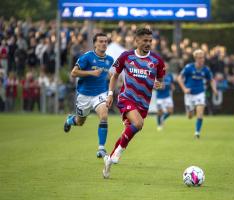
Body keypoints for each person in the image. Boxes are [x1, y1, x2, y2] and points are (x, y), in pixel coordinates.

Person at [103, 28, 165, 179]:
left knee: (130, 130)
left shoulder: (157, 61)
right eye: (145, 41)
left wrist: (159, 84)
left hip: (143, 104)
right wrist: (110, 94)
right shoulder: (126, 56)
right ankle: (119, 152)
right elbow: (114, 75)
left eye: (150, 41)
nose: (148, 43)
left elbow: (160, 80)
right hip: (126, 99)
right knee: (138, 124)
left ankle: (109, 160)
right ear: (136, 41)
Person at [63, 33, 114, 159]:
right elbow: (74, 73)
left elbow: (109, 74)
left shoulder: (110, 60)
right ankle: (70, 120)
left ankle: (101, 149)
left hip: (100, 94)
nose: (103, 44)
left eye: (105, 41)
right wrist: (91, 73)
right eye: (101, 41)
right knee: (80, 122)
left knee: (104, 116)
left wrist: (112, 83)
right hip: (84, 95)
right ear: (95, 44)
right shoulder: (87, 57)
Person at [177, 49, 218, 139]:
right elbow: (179, 78)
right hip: (189, 94)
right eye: (199, 58)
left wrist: (214, 89)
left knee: (200, 112)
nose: (201, 60)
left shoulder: (206, 69)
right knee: (190, 116)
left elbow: (211, 80)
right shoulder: (189, 67)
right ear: (195, 58)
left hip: (200, 93)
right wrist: (184, 89)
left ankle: (197, 133)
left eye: (202, 58)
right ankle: (190, 110)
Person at [156, 63, 175, 131]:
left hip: (167, 96)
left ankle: (162, 119)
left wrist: (172, 87)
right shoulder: (158, 75)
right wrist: (160, 86)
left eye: (166, 66)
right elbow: (155, 86)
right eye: (164, 66)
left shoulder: (170, 75)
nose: (165, 68)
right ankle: (159, 125)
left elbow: (172, 83)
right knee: (159, 112)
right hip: (160, 97)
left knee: (170, 111)